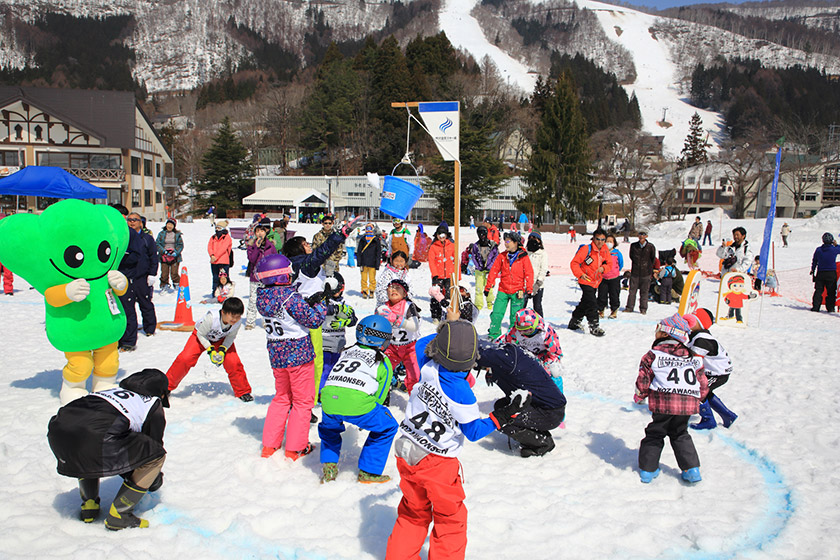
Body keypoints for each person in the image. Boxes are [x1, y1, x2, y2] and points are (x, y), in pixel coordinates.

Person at [385, 319, 529, 560]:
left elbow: (422, 343)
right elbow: (472, 432)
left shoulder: (427, 365)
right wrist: (500, 417)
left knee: (413, 512)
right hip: (437, 463)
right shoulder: (462, 393)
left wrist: (447, 330)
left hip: (407, 450)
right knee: (450, 519)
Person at [47, 369, 169, 530]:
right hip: (95, 438)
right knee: (156, 456)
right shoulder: (152, 403)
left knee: (88, 444)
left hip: (59, 431)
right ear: (161, 393)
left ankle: (89, 504)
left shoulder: (112, 391)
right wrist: (152, 480)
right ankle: (120, 514)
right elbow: (152, 446)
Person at [256, 254, 329, 460]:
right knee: (302, 402)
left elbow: (288, 312)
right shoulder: (289, 297)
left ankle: (270, 446)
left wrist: (307, 302)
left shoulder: (263, 297)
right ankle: (296, 447)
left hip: (277, 353)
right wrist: (322, 305)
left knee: (281, 398)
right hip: (298, 354)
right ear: (280, 277)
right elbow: (313, 320)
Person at [319, 315, 397, 483]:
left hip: (329, 400)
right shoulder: (383, 361)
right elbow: (380, 396)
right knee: (388, 426)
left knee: (329, 431)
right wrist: (367, 417)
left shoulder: (346, 352)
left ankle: (329, 468)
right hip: (358, 404)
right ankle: (368, 471)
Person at [634, 314, 708, 484]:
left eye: (658, 330)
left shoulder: (653, 355)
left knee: (655, 433)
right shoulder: (693, 356)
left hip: (663, 401)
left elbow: (643, 379)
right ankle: (692, 469)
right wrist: (700, 398)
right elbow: (702, 381)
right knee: (680, 433)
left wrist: (639, 396)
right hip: (687, 402)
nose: (655, 333)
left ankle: (648, 469)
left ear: (667, 334)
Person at [477, 341, 566, 457]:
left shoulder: (509, 359)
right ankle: (534, 433)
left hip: (550, 412)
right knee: (501, 406)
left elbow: (478, 356)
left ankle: (542, 443)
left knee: (501, 418)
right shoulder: (510, 354)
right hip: (542, 406)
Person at [165, 296, 253, 400]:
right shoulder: (211, 318)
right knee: (185, 359)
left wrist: (222, 349)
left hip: (221, 339)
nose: (235, 319)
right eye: (232, 316)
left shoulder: (237, 322)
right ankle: (166, 388)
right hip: (200, 337)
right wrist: (210, 350)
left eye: (238, 316)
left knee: (233, 362)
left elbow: (231, 336)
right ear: (223, 312)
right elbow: (201, 334)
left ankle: (243, 391)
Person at [683, 309, 737, 430]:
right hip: (713, 372)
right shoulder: (696, 336)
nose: (689, 324)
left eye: (693, 321)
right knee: (706, 392)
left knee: (697, 391)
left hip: (718, 373)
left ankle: (708, 420)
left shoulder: (703, 339)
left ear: (701, 324)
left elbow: (695, 360)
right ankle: (728, 415)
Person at [117, 212, 156, 352]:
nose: (132, 222)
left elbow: (153, 257)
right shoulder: (122, 237)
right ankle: (126, 339)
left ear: (141, 222)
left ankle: (150, 327)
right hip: (125, 278)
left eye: (135, 220)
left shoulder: (147, 239)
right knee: (126, 308)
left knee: (145, 303)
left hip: (141, 277)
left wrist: (152, 274)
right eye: (130, 220)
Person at [376, 279, 422, 394]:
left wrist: (395, 319)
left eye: (398, 288)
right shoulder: (383, 307)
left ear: (405, 293)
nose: (393, 290)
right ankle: (382, 397)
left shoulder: (408, 306)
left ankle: (414, 400)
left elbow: (414, 326)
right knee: (382, 372)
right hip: (391, 347)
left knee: (414, 376)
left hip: (410, 347)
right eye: (391, 288)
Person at [485, 231, 533, 339]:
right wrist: (488, 286)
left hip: (518, 292)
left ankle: (513, 337)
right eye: (505, 241)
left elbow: (529, 273)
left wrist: (529, 289)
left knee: (515, 318)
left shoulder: (523, 257)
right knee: (496, 314)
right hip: (503, 290)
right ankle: (493, 335)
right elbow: (494, 271)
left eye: (508, 241)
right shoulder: (502, 256)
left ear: (516, 242)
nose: (506, 244)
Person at [497, 308, 564, 383]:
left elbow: (555, 352)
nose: (525, 332)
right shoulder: (516, 332)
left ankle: (555, 393)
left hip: (545, 357)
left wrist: (547, 367)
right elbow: (504, 341)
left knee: (554, 372)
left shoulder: (546, 333)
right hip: (526, 355)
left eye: (528, 329)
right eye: (521, 330)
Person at [318, 273, 358, 396]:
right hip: (324, 339)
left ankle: (332, 389)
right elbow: (325, 309)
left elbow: (353, 320)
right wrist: (338, 309)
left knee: (335, 368)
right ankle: (320, 392)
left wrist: (345, 321)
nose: (333, 293)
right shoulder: (322, 301)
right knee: (324, 367)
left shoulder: (346, 302)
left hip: (338, 340)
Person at [569, 229, 611, 336]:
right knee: (592, 303)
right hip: (585, 280)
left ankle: (574, 321)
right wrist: (580, 274)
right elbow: (574, 263)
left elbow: (609, 264)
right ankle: (594, 326)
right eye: (598, 239)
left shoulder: (605, 251)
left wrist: (604, 268)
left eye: (602, 240)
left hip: (596, 281)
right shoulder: (586, 249)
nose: (600, 242)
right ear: (593, 238)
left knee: (585, 302)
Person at [245, 217, 278, 330]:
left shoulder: (270, 246)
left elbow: (274, 259)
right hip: (255, 277)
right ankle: (250, 321)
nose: (260, 233)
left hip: (267, 278)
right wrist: (256, 247)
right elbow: (252, 259)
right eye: (258, 231)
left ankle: (266, 321)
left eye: (262, 231)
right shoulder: (251, 245)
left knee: (267, 300)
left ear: (266, 232)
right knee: (253, 300)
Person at [428, 223, 457, 324]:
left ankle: (448, 314)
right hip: (438, 275)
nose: (441, 236)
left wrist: (457, 275)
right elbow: (431, 261)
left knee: (449, 296)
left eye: (443, 234)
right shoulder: (433, 247)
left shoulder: (452, 246)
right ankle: (436, 315)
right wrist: (435, 274)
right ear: (436, 235)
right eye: (439, 234)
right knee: (436, 296)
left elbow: (456, 260)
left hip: (450, 275)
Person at [467, 225, 499, 311]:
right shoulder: (476, 246)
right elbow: (474, 257)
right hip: (479, 270)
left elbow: (496, 257)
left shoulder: (492, 245)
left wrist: (490, 267)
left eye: (483, 234)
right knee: (478, 288)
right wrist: (478, 266)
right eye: (480, 234)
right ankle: (478, 305)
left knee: (490, 288)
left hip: (490, 271)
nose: (482, 236)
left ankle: (490, 303)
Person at [625, 231, 656, 315]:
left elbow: (652, 259)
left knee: (644, 292)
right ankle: (629, 307)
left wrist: (648, 269)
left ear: (646, 236)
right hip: (635, 272)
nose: (641, 237)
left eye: (643, 235)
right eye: (640, 235)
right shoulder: (633, 246)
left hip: (646, 273)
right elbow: (631, 256)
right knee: (632, 291)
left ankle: (643, 308)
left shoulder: (650, 246)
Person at [810, 232, 840, 313]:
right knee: (831, 291)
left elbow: (815, 261)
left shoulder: (818, 250)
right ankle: (830, 308)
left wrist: (813, 270)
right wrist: (836, 244)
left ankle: (816, 307)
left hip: (821, 273)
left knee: (818, 290)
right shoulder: (834, 249)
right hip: (831, 273)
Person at [597, 233, 623, 319]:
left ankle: (614, 311)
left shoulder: (617, 253)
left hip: (614, 278)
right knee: (602, 295)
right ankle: (601, 311)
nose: (608, 243)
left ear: (614, 243)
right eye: (607, 241)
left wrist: (615, 271)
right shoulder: (601, 252)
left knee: (614, 295)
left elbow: (621, 264)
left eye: (610, 241)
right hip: (603, 278)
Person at [155, 218, 183, 292]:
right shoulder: (161, 234)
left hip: (174, 257)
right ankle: (164, 285)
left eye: (171, 225)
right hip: (164, 256)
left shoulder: (177, 235)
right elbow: (157, 243)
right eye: (168, 224)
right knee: (164, 273)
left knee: (174, 273)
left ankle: (177, 285)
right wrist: (163, 251)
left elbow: (180, 245)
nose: (169, 226)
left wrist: (176, 252)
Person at [357, 223, 382, 299]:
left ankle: (371, 290)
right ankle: (364, 291)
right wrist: (359, 262)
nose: (368, 230)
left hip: (372, 262)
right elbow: (359, 251)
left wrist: (377, 264)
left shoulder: (376, 240)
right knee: (363, 279)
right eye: (367, 228)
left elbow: (378, 253)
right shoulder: (362, 239)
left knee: (372, 279)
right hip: (363, 262)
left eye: (370, 228)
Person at [526, 231, 548, 317]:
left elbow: (543, 269)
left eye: (534, 238)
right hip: (525, 284)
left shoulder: (542, 253)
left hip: (538, 285)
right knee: (521, 305)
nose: (532, 240)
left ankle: (540, 324)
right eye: (530, 238)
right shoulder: (525, 252)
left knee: (537, 306)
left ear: (539, 240)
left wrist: (537, 284)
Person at [208, 220, 232, 294]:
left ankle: (226, 292)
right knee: (215, 277)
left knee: (224, 278)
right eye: (216, 228)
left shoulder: (227, 237)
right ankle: (215, 292)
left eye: (219, 228)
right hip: (214, 261)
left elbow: (223, 248)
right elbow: (209, 246)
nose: (217, 229)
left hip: (223, 261)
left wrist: (216, 256)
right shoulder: (213, 237)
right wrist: (211, 255)